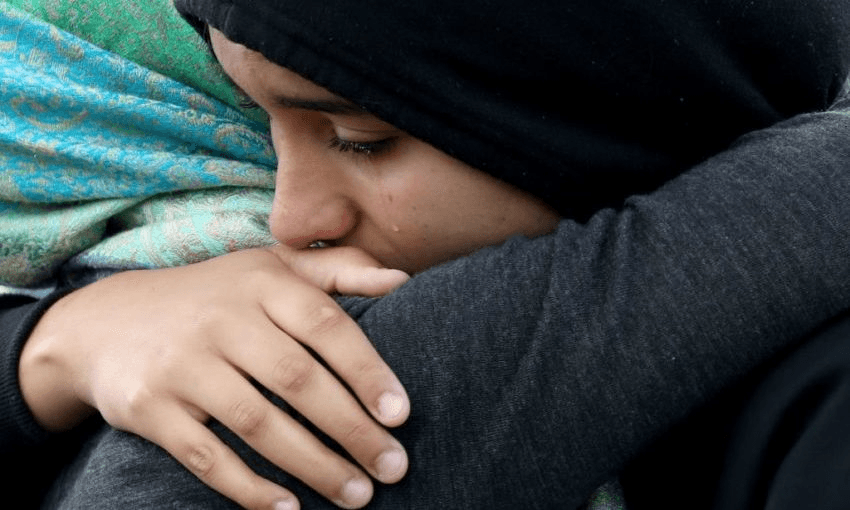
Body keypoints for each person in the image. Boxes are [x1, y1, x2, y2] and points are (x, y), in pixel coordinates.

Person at [3, 0, 850, 509]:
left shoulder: (818, 409)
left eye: (358, 140)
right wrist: (50, 348)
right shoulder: (124, 133)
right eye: (256, 115)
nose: (290, 220)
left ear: (593, 119)